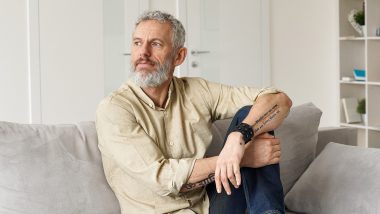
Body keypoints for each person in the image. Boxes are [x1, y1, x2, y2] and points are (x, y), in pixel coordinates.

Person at [96, 10, 292, 214]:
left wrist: (240, 136)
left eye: (155, 44)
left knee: (249, 115)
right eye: (137, 43)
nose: (143, 53)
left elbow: (279, 100)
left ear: (179, 56)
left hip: (209, 207)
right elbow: (163, 178)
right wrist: (241, 157)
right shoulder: (114, 109)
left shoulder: (197, 91)